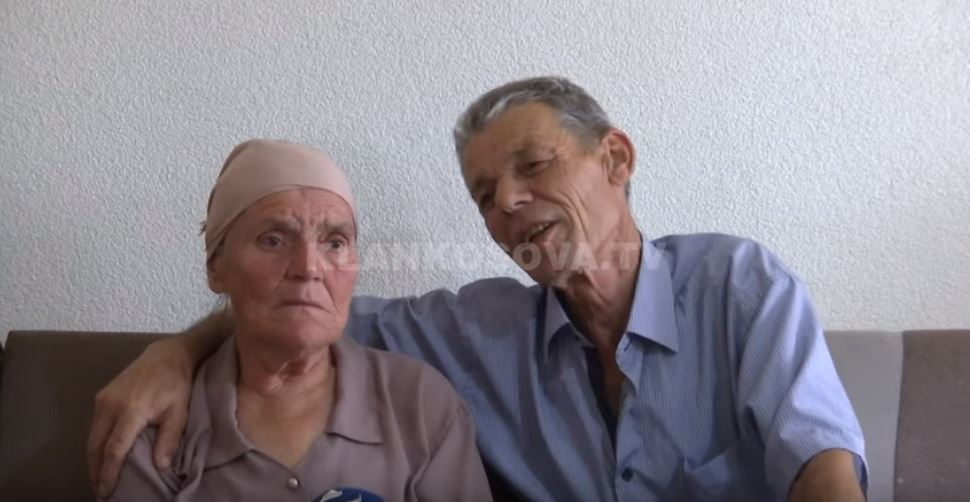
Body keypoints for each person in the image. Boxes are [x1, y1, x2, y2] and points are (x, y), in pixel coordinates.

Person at [90, 78, 866, 501]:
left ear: (616, 159)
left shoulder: (739, 287)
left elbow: (824, 471)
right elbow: (303, 308)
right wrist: (177, 352)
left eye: (533, 166)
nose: (509, 204)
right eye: (485, 194)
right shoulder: (477, 331)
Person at [101, 139, 491, 501]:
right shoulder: (159, 421)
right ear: (216, 267)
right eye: (273, 240)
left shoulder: (421, 403)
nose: (309, 268)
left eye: (335, 243)